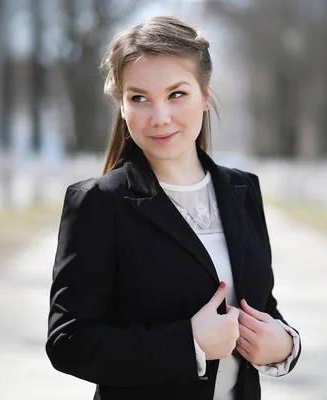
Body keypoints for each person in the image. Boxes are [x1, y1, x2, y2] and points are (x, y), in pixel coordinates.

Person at [45, 16, 301, 400]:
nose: (160, 117)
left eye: (177, 94)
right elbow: (68, 342)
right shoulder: (99, 203)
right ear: (122, 106)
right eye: (139, 98)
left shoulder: (243, 190)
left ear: (204, 94)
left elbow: (259, 305)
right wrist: (188, 344)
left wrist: (285, 345)